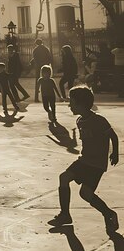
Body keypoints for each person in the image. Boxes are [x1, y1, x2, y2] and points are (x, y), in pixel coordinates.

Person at [48, 86, 119, 235]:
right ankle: (65, 215)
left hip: (96, 165)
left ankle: (109, 214)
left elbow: (113, 136)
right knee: (64, 178)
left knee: (85, 194)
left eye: (72, 103)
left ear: (81, 104)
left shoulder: (99, 120)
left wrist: (115, 153)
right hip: (84, 160)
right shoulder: (80, 120)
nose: (69, 106)